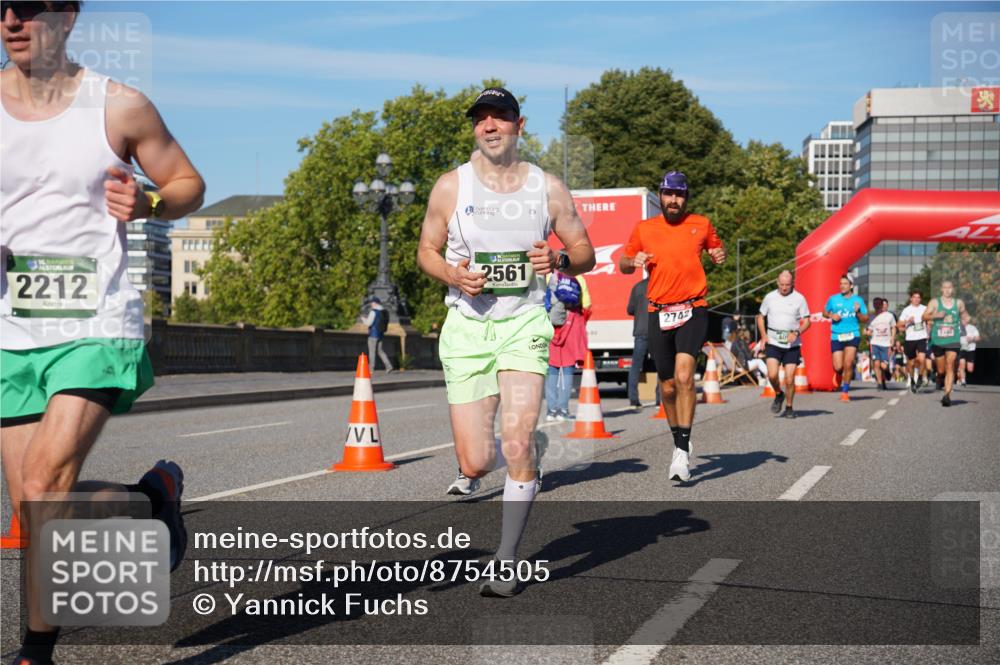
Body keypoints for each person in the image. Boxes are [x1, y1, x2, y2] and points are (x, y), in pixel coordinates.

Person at [1, 3, 205, 663]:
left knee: (44, 485)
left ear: (67, 16)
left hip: (96, 318)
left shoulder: (118, 106)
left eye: (29, 6)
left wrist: (150, 200)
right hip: (12, 323)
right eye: (3, 4)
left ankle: (35, 653)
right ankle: (150, 501)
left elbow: (187, 182)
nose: (10, 17)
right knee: (36, 505)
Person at [416, 87, 595, 594]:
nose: (490, 125)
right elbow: (426, 251)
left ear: (520, 123)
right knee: (474, 462)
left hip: (522, 326)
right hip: (468, 329)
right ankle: (524, 454)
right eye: (481, 119)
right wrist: (454, 275)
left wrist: (557, 260)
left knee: (515, 440)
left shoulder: (548, 188)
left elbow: (586, 251)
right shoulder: (451, 187)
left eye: (501, 117)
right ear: (474, 128)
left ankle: (508, 558)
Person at [619, 171, 725, 482]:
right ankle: (679, 437)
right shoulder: (645, 228)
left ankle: (681, 452)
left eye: (679, 194)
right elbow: (623, 263)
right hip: (659, 311)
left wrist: (719, 254)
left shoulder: (701, 224)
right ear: (661, 196)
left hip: (693, 308)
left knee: (684, 377)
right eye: (668, 194)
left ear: (686, 197)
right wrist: (633, 260)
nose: (673, 200)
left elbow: (717, 249)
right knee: (666, 386)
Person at [756, 270, 811, 418]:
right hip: (773, 342)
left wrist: (797, 332)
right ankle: (779, 394)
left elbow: (807, 321)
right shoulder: (770, 297)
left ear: (792, 283)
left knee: (789, 378)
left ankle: (789, 407)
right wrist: (763, 336)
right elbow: (760, 317)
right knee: (773, 375)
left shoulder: (799, 298)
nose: (784, 287)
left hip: (791, 345)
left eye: (787, 284)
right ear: (777, 283)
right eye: (782, 284)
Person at [544, 271, 590, 420]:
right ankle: (563, 410)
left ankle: (551, 411)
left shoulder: (549, 278)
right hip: (572, 323)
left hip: (552, 325)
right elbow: (587, 304)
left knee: (552, 369)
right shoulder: (579, 278)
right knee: (568, 368)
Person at [822, 274, 868, 401]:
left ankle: (845, 392)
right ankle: (838, 374)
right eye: (841, 283)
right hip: (836, 335)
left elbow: (865, 319)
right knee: (838, 366)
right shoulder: (833, 299)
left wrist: (858, 312)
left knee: (848, 364)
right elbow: (824, 312)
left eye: (845, 284)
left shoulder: (858, 300)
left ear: (851, 285)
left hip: (853, 334)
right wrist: (831, 315)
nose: (842, 286)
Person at [923, 280, 966, 407]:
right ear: (941, 289)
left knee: (950, 364)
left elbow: (964, 316)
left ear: (953, 289)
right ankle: (939, 377)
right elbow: (924, 316)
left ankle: (947, 395)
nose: (947, 290)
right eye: (945, 288)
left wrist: (966, 321)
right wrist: (935, 315)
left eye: (950, 288)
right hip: (938, 340)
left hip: (953, 339)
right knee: (941, 369)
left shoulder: (959, 303)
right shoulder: (935, 302)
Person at [898, 290, 930, 393]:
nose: (916, 299)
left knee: (922, 359)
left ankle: (920, 377)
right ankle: (912, 379)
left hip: (922, 337)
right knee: (910, 363)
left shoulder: (924, 309)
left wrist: (929, 332)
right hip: (910, 339)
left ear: (920, 299)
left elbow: (929, 321)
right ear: (911, 298)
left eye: (918, 297)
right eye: (914, 297)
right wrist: (908, 322)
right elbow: (899, 325)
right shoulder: (906, 310)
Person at [626, 276, 650, 408]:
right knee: (661, 366)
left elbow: (630, 309)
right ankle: (660, 399)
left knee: (636, 366)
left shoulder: (637, 287)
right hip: (657, 331)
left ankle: (633, 399)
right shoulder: (661, 284)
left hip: (640, 331)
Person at [865, 297, 896, 391]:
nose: (877, 306)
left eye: (880, 304)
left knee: (884, 366)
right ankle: (879, 383)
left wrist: (893, 339)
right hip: (874, 343)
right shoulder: (872, 317)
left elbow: (894, 327)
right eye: (875, 304)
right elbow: (868, 330)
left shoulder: (890, 316)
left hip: (886, 344)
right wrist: (867, 334)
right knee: (876, 364)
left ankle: (887, 372)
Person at [362, 297, 394, 373]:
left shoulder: (373, 312)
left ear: (375, 303)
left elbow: (368, 323)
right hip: (380, 334)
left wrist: (363, 319)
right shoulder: (384, 312)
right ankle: (389, 366)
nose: (371, 304)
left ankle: (371, 369)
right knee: (380, 351)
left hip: (373, 334)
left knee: (372, 352)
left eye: (372, 303)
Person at [958, 313, 980, 387]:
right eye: (962, 320)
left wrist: (972, 339)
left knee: (970, 369)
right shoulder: (958, 328)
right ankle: (963, 380)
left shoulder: (972, 328)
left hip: (971, 349)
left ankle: (960, 372)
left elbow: (978, 338)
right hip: (961, 348)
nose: (963, 321)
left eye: (965, 319)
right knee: (962, 364)